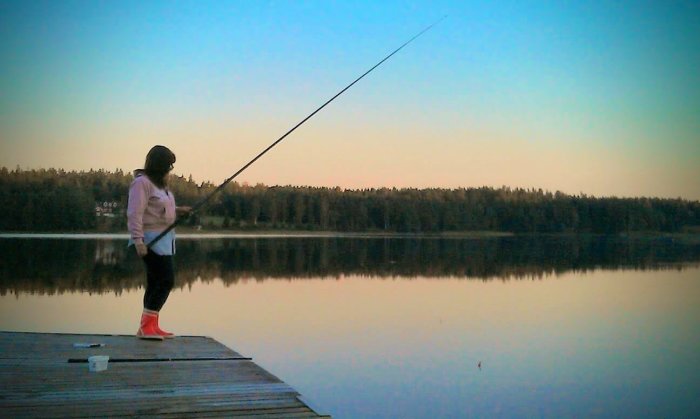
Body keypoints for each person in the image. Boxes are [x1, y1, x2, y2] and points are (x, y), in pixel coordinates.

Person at [127, 145, 190, 340]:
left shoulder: (159, 185)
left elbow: (157, 208)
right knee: (165, 280)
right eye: (168, 165)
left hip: (164, 239)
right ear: (159, 164)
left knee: (156, 282)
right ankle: (147, 326)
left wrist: (179, 211)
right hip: (149, 240)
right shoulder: (142, 183)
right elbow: (135, 212)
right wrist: (138, 241)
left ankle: (150, 326)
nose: (170, 169)